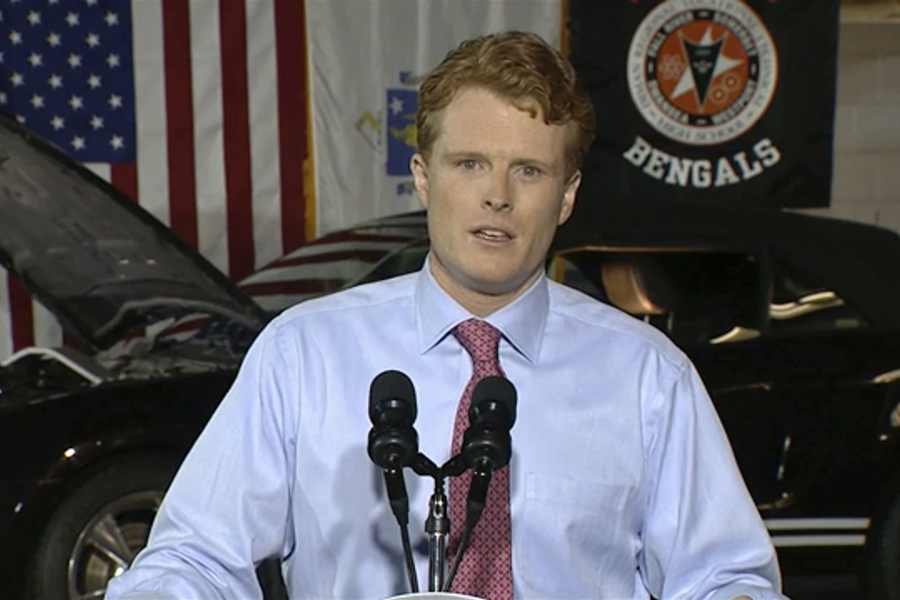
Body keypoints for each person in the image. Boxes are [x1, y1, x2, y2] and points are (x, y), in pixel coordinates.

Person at [106, 31, 788, 600]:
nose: (497, 196)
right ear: (424, 177)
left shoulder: (648, 376)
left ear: (568, 194)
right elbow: (195, 557)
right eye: (469, 164)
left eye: (529, 171)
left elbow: (724, 577)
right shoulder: (305, 354)